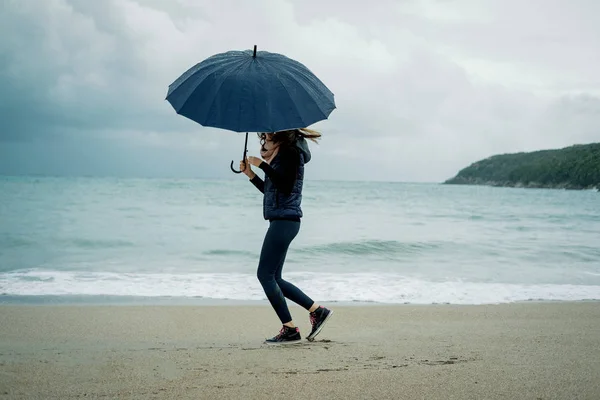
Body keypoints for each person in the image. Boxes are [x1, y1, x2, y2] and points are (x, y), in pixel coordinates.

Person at [240, 128, 333, 345]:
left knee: (264, 275)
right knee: (275, 278)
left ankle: (290, 328)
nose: (263, 135)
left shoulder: (291, 152)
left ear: (279, 131)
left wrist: (262, 165)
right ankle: (317, 311)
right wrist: (251, 175)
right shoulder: (282, 154)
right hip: (281, 220)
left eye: (266, 132)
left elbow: (286, 186)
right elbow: (273, 190)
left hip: (285, 222)